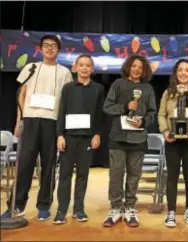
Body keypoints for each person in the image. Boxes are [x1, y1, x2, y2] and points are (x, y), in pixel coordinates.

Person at [1, 35, 73, 220]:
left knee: (48, 165)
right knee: (24, 164)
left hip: (52, 121)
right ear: (40, 49)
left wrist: (62, 130)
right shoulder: (30, 68)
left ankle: (44, 205)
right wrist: (19, 120)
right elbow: (21, 95)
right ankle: (16, 205)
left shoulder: (64, 72)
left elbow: (66, 101)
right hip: (30, 119)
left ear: (59, 50)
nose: (50, 49)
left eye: (54, 46)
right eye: (46, 46)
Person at [102, 55, 156, 228]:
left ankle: (130, 208)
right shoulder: (118, 85)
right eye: (134, 66)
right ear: (128, 67)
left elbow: (152, 113)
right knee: (116, 175)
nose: (137, 69)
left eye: (140, 67)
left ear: (144, 70)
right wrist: (125, 107)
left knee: (134, 176)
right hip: (117, 137)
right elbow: (107, 107)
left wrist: (144, 121)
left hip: (138, 138)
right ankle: (116, 208)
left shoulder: (147, 88)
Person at [52, 54, 105, 224]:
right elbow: (61, 111)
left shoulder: (98, 89)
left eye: (87, 65)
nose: (84, 68)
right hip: (68, 138)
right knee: (65, 175)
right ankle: (61, 211)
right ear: (74, 67)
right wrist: (60, 135)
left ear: (92, 69)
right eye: (81, 65)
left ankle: (79, 209)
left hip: (87, 139)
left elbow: (99, 114)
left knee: (83, 175)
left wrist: (97, 133)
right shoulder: (68, 88)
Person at [158, 59, 188, 228]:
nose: (183, 73)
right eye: (180, 70)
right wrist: (165, 131)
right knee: (171, 175)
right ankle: (171, 211)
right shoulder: (168, 93)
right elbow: (161, 115)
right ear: (175, 72)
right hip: (172, 140)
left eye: (187, 70)